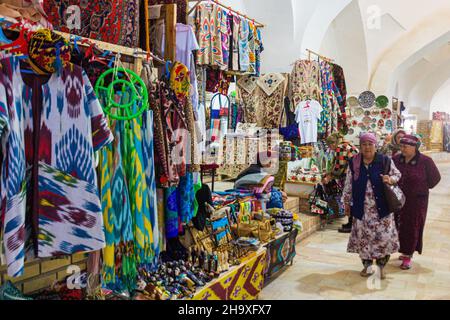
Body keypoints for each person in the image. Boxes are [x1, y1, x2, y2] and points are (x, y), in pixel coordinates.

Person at [343, 133, 401, 279]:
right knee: (363, 240)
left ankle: (381, 267)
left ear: (376, 145)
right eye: (364, 144)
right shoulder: (354, 162)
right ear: (360, 146)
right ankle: (367, 267)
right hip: (362, 210)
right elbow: (349, 183)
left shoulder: (385, 161)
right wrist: (346, 202)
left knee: (383, 239)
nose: (367, 147)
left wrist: (390, 179)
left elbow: (397, 174)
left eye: (370, 144)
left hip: (382, 209)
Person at [393, 135, 441, 270]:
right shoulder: (396, 159)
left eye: (405, 147)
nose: (402, 149)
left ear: (414, 147)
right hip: (397, 200)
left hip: (416, 201)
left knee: (412, 226)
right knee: (397, 224)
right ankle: (403, 250)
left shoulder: (426, 161)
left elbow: (435, 178)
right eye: (401, 146)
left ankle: (408, 255)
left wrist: (422, 188)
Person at [322, 133, 359, 233]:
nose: (330, 148)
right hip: (356, 175)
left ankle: (351, 225)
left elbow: (340, 166)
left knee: (350, 200)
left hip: (352, 176)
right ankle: (351, 223)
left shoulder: (340, 147)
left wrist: (330, 176)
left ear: (332, 144)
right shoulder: (346, 144)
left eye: (329, 146)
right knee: (352, 200)